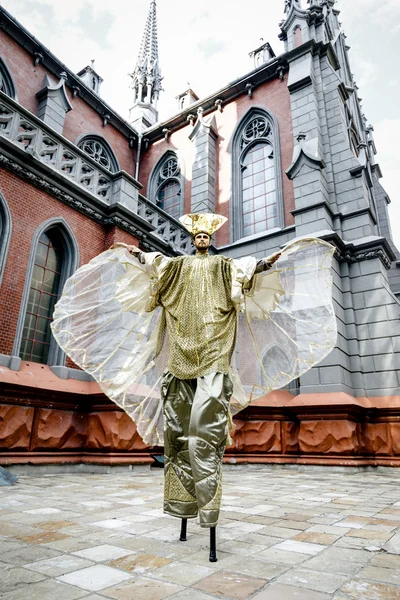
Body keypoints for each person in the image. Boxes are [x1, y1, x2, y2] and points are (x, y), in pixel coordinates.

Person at [51, 213, 337, 559]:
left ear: (211, 240)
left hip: (215, 355)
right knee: (178, 432)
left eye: (206, 236)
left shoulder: (221, 266)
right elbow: (157, 267)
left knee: (206, 428)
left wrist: (271, 260)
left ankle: (209, 507)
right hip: (180, 357)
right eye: (197, 236)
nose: (202, 240)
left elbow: (247, 272)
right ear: (193, 239)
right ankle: (183, 503)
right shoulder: (180, 267)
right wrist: (136, 255)